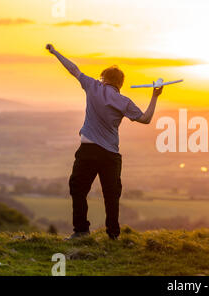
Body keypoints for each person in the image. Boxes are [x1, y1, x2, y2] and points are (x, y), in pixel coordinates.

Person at [46, 44, 163, 240]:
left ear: (103, 78)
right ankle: (113, 235)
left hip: (88, 150)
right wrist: (154, 96)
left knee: (78, 189)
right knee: (111, 196)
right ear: (120, 83)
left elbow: (73, 69)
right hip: (110, 155)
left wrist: (55, 52)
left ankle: (81, 230)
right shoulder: (124, 101)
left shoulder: (93, 86)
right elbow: (146, 119)